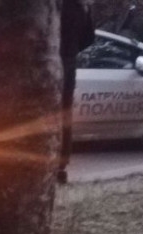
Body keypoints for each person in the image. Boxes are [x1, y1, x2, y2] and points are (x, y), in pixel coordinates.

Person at [58, 0, 95, 184]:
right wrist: (71, 51)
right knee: (64, 115)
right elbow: (89, 38)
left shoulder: (54, 6)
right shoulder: (81, 7)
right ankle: (61, 164)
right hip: (68, 63)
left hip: (51, 60)